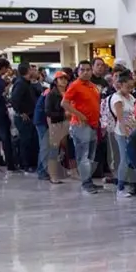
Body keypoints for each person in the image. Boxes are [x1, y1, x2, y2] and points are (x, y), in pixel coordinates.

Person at [61, 61, 104, 195]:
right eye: (83, 70)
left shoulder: (92, 86)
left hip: (93, 124)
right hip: (80, 126)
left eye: (88, 69)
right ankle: (86, 183)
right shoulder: (75, 85)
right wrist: (79, 115)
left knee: (90, 156)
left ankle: (88, 180)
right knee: (83, 156)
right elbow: (64, 103)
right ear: (78, 72)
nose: (86, 72)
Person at [111, 72, 136, 198]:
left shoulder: (130, 97)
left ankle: (133, 185)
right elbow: (120, 118)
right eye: (127, 87)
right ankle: (120, 188)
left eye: (131, 87)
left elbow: (134, 114)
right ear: (120, 85)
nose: (130, 89)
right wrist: (126, 132)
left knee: (131, 159)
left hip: (133, 129)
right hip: (122, 132)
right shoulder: (117, 98)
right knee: (124, 159)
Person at [10, 62, 41, 175]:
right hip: (24, 117)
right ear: (28, 70)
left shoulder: (27, 83)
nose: (34, 71)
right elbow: (14, 100)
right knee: (25, 141)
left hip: (31, 115)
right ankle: (25, 164)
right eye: (32, 69)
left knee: (31, 140)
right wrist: (21, 112)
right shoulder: (20, 84)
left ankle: (31, 163)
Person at [43, 70, 71, 184]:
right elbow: (48, 112)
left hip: (68, 124)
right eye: (61, 78)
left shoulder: (68, 92)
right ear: (56, 81)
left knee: (67, 149)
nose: (63, 81)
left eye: (65, 78)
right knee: (54, 150)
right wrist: (63, 114)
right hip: (56, 124)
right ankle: (53, 175)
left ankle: (66, 171)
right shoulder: (51, 94)